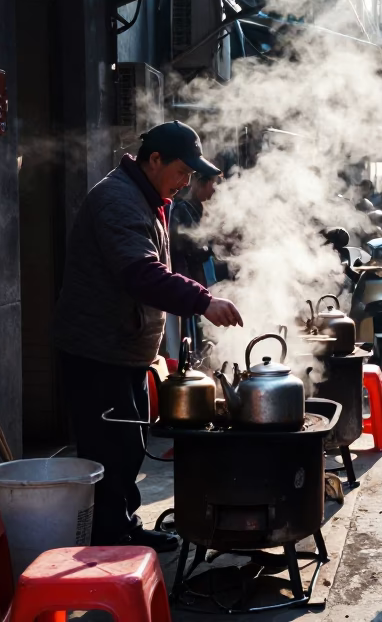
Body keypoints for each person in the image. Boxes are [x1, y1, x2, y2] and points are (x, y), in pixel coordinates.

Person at [52, 120, 243, 552]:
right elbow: (140, 272)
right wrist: (201, 300)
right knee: (109, 450)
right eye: (181, 171)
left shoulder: (151, 197)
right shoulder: (117, 200)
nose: (185, 182)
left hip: (125, 346)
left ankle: (123, 526)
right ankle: (108, 539)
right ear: (154, 160)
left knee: (129, 445)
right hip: (97, 349)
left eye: (191, 175)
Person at [165, 171, 220, 359]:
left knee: (199, 333)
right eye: (212, 183)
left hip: (198, 282)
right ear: (199, 184)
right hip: (186, 282)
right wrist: (211, 247)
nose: (214, 189)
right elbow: (183, 246)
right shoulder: (182, 210)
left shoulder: (197, 208)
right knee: (189, 337)